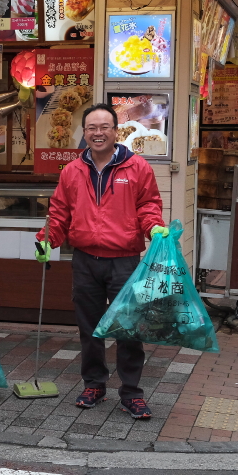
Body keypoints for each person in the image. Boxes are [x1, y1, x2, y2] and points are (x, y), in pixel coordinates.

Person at [35, 103, 168, 419]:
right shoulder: (72, 170)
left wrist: (155, 228)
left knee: (128, 329)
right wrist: (47, 239)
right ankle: (94, 384)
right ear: (84, 132)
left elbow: (148, 206)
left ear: (115, 131)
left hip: (124, 261)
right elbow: (59, 212)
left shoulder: (137, 168)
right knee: (90, 328)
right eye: (92, 128)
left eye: (104, 127)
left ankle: (131, 393)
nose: (98, 133)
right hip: (84, 260)